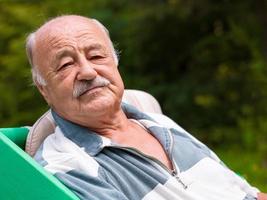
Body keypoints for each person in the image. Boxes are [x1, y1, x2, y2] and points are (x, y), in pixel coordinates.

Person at [25, 15, 267, 200]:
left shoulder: (157, 122)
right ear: (44, 89)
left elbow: (243, 191)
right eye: (66, 64)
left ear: (116, 64)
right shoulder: (66, 166)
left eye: (97, 56)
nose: (88, 72)